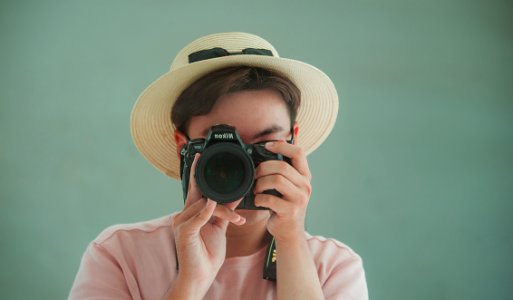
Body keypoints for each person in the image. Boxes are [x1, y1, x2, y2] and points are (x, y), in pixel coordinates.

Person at [69, 32, 368, 300]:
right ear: (182, 146)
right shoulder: (119, 256)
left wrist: (290, 239)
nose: (244, 165)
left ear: (293, 143)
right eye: (224, 147)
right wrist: (191, 281)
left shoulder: (334, 267)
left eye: (264, 144)